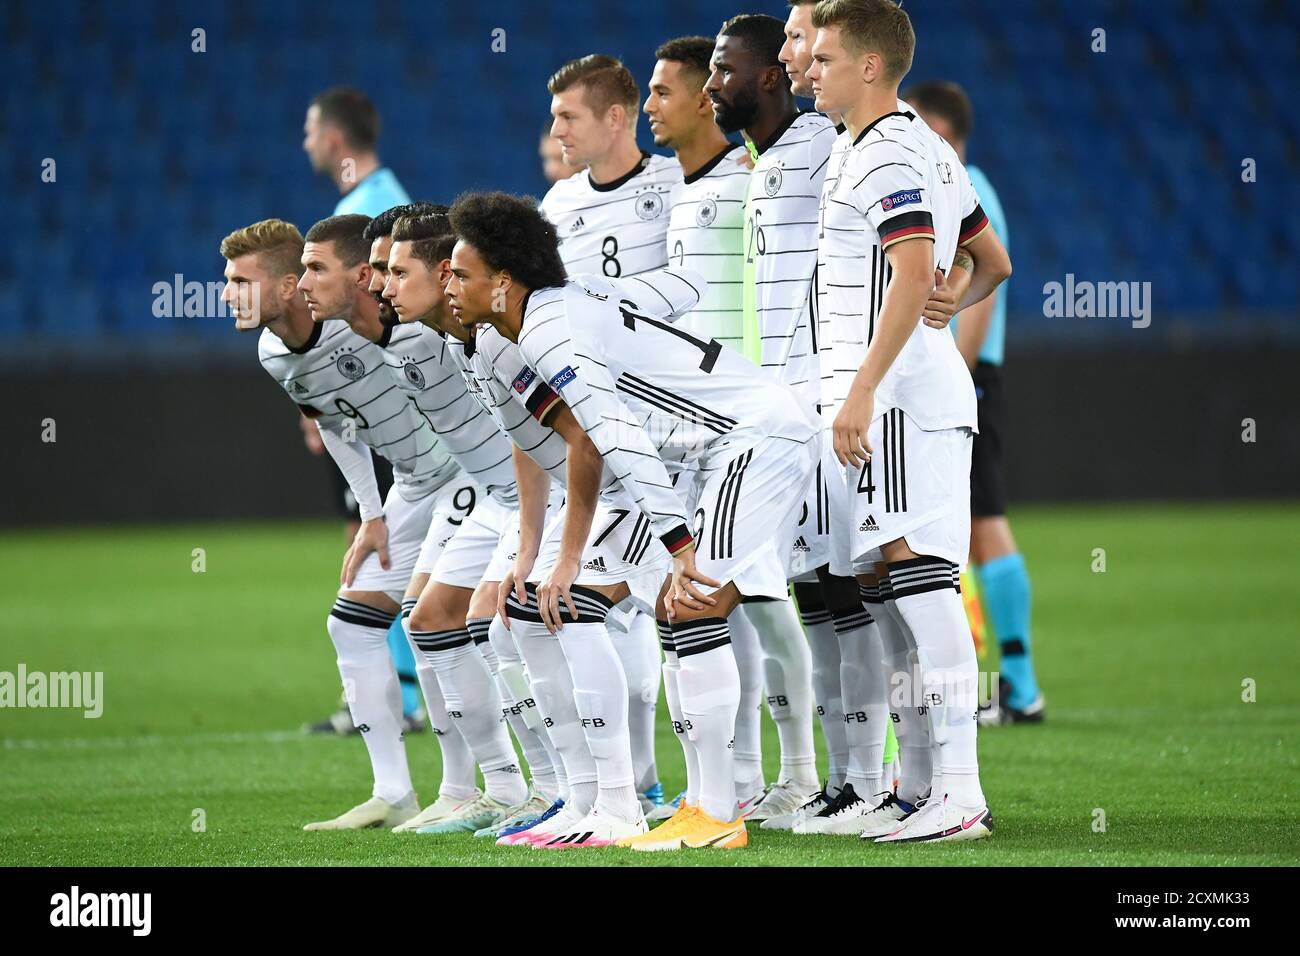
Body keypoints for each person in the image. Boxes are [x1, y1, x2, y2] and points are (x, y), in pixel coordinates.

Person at [447, 191, 821, 851]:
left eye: (461, 274)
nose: (452, 287)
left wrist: (679, 544)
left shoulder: (543, 331)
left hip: (749, 437)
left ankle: (717, 812)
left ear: (503, 285)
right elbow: (679, 288)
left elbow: (614, 433)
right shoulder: (566, 301)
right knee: (684, 612)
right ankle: (704, 807)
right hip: (724, 442)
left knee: (696, 600)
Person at [806, 0, 1012, 842]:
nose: (809, 71)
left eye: (823, 59)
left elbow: (915, 267)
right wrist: (957, 290)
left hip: (896, 405)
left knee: (920, 590)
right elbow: (989, 260)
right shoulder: (914, 146)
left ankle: (958, 792)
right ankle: (920, 787)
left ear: (867, 67)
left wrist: (860, 390)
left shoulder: (889, 150)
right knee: (890, 599)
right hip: (893, 399)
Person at [220, 219, 448, 830]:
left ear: (289, 285)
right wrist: (373, 514)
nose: (226, 293)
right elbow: (332, 420)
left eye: (241, 281)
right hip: (415, 486)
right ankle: (395, 793)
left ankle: (489, 788)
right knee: (351, 625)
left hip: (470, 474)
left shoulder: (364, 319)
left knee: (448, 622)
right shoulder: (273, 353)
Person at [540, 53, 683, 813]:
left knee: (709, 604)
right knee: (632, 605)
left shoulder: (675, 187)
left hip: (678, 430)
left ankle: (749, 788)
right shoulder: (556, 206)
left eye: (567, 115)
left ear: (616, 118)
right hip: (599, 432)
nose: (556, 128)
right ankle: (647, 788)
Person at [902, 80, 1045, 724]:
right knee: (972, 528)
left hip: (966, 376)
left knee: (978, 525)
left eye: (929, 135)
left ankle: (1012, 682)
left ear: (951, 137)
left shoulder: (969, 189)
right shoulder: (952, 183)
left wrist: (953, 383)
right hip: (959, 376)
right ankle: (1006, 682)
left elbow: (982, 291)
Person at [300, 87, 421, 736]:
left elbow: (384, 314)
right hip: (374, 399)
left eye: (310, 130)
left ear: (336, 139)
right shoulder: (378, 199)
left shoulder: (370, 210)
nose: (306, 143)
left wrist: (334, 392)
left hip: (379, 405)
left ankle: (393, 697)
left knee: (376, 540)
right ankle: (398, 692)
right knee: (379, 538)